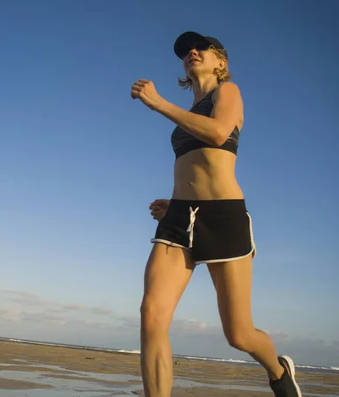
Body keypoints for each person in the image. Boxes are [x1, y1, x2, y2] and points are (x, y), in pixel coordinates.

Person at [130, 31, 303, 397]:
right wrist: (174, 201)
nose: (191, 53)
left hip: (223, 216)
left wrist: (159, 103)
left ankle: (278, 371)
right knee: (151, 316)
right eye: (185, 52)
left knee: (238, 334)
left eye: (201, 49)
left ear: (220, 62)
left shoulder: (227, 93)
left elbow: (219, 133)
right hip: (178, 219)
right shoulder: (188, 112)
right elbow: (194, 167)